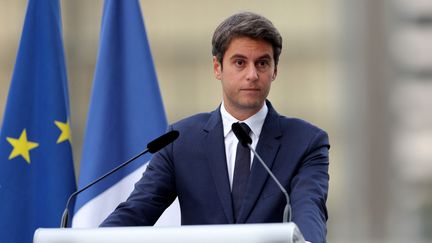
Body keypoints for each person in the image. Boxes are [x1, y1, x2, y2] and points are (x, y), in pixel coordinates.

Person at [100, 12, 330, 243]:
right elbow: (137, 211)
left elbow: (309, 209)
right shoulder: (179, 141)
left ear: (275, 70)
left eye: (262, 63)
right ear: (217, 67)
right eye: (240, 62)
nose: (252, 75)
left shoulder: (306, 142)